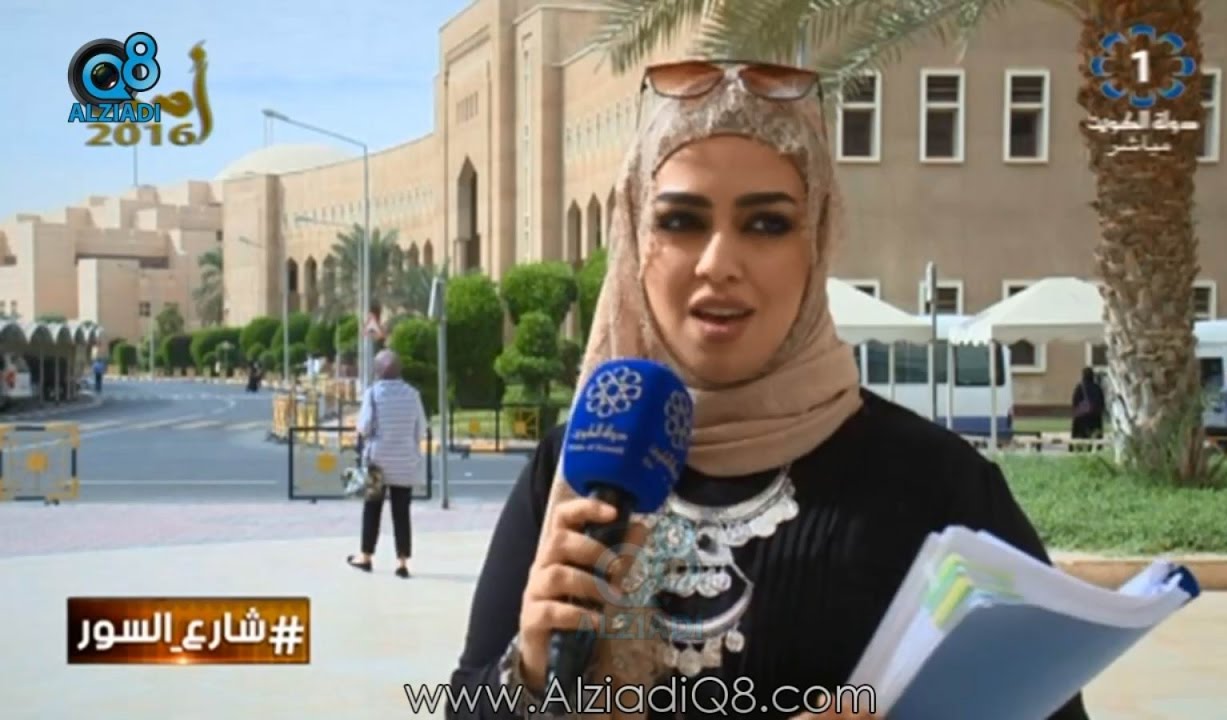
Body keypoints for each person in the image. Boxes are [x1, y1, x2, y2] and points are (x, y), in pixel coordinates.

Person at [447, 60, 1089, 719]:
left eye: (766, 225)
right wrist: (530, 672)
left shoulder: (938, 487)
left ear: (817, 243)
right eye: (680, 221)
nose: (718, 263)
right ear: (636, 240)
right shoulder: (576, 467)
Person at [346, 349, 427, 578]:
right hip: (405, 462)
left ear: (378, 371)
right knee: (401, 512)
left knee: (372, 508)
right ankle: (402, 562)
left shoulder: (373, 394)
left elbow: (364, 427)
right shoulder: (413, 394)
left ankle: (366, 557)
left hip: (376, 461)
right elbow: (421, 429)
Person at [1070, 367, 1106, 448]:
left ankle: (1079, 447)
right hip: (1095, 417)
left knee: (1082, 435)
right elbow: (1102, 402)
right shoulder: (1097, 388)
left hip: (1082, 417)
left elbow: (1075, 402)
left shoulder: (1080, 387)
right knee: (1095, 434)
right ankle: (1097, 447)